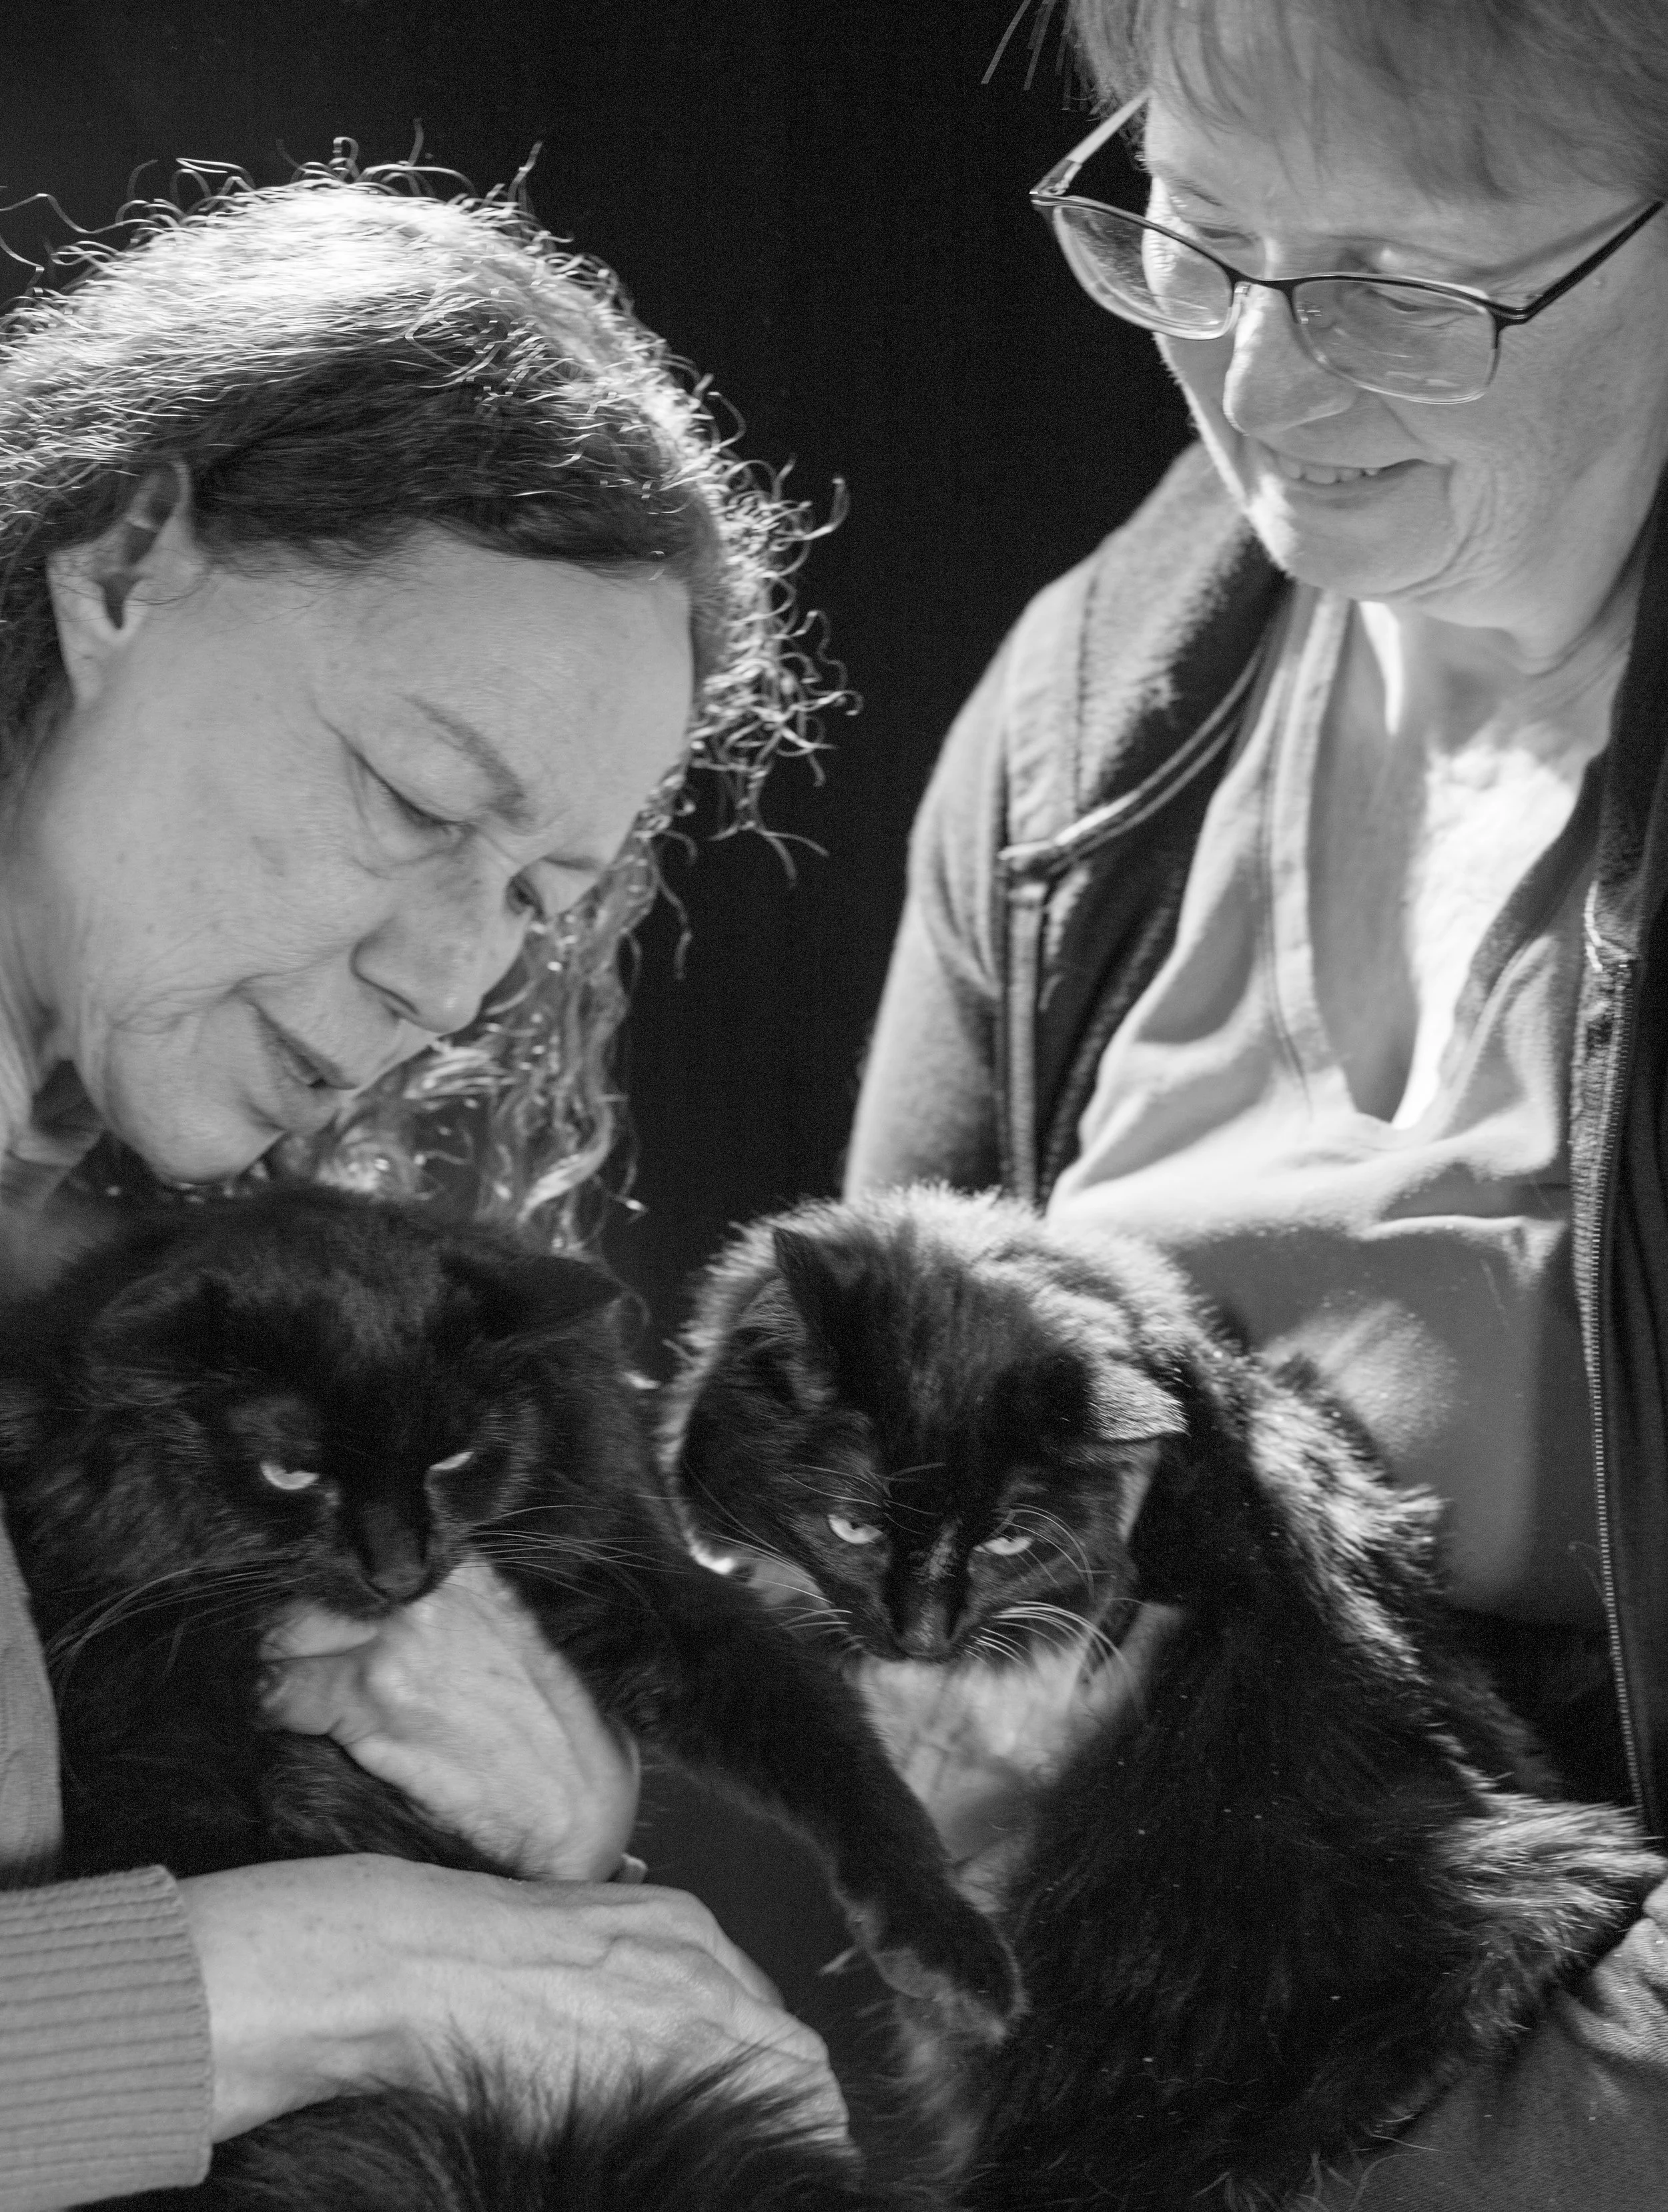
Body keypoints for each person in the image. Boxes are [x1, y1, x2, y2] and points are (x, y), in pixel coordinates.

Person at [847, 0, 1668, 2201]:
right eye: (1199, 240)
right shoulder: (1084, 735)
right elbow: (884, 1653)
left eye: (1405, 288)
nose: (1267, 386)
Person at [0, 167, 843, 2211]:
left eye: (542, 898)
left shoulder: (159, 1298)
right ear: (126, 559)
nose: (454, 972)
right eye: (411, 797)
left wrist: (541, 1837)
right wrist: (323, 1978)